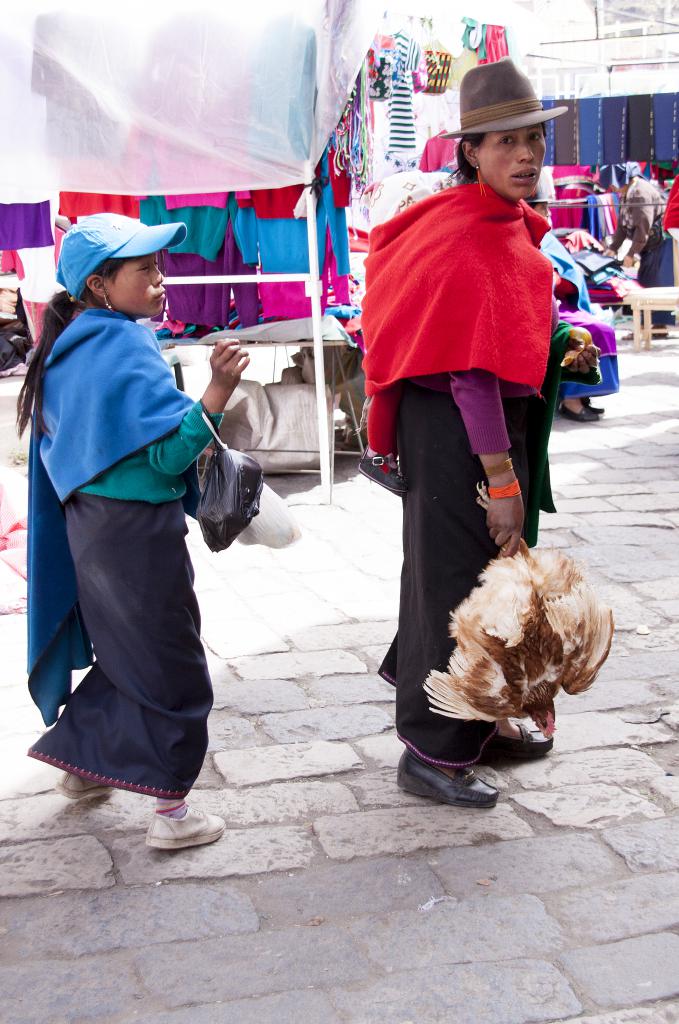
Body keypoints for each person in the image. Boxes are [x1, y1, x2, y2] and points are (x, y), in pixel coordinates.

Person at [360, 59, 599, 808]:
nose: (524, 155)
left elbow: (501, 341)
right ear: (470, 152)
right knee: (459, 593)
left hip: (477, 425)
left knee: (478, 585)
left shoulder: (496, 226)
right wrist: (499, 480)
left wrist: (555, 345)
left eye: (532, 139)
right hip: (461, 434)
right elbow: (470, 371)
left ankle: (483, 717)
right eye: (504, 142)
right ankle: (432, 753)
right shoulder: (469, 237)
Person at [17, 214, 249, 849]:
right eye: (144, 269)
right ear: (99, 285)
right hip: (137, 534)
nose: (160, 280)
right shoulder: (124, 344)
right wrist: (217, 393)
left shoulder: (66, 343)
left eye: (158, 266)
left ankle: (81, 764)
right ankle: (172, 812)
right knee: (172, 662)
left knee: (125, 649)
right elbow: (165, 458)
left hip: (90, 529)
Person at [528, 174, 619, 424]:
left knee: (600, 326)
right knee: (586, 332)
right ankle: (572, 400)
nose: (547, 213)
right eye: (542, 207)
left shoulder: (544, 235)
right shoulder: (524, 233)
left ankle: (584, 394)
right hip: (540, 310)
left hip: (559, 303)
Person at [603, 162, 673, 337]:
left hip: (659, 244)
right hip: (648, 245)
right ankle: (645, 326)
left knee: (654, 285)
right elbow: (622, 226)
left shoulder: (640, 192)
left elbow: (643, 228)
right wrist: (612, 249)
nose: (612, 188)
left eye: (612, 184)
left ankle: (655, 327)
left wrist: (630, 254)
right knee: (643, 283)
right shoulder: (628, 192)